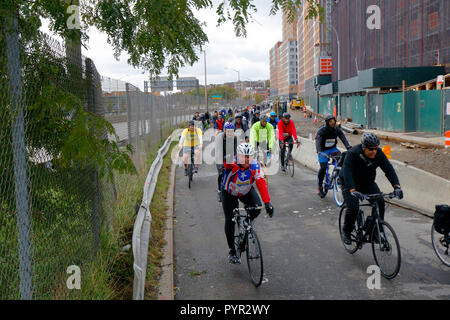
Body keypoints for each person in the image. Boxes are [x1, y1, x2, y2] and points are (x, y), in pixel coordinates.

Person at [339, 133, 404, 245]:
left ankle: (375, 232)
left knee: (380, 202)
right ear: (364, 147)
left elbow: (388, 169)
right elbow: (347, 172)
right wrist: (352, 190)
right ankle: (346, 231)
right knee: (353, 208)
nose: (374, 151)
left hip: (367, 183)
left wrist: (397, 186)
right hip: (349, 184)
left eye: (375, 148)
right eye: (371, 149)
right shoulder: (353, 153)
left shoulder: (378, 154)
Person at [220, 143, 274, 264]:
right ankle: (232, 250)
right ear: (237, 156)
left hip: (246, 191)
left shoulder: (255, 165)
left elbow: (261, 183)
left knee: (257, 208)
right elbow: (226, 163)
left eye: (248, 156)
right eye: (243, 156)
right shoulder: (232, 163)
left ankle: (246, 223)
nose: (246, 159)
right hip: (229, 193)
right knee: (230, 220)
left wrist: (267, 202)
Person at [315, 115, 352, 198]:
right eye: (330, 121)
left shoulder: (336, 129)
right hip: (323, 151)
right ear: (327, 122)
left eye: (333, 121)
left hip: (333, 149)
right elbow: (318, 141)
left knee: (341, 159)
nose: (332, 123)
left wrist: (348, 147)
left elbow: (343, 137)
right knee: (323, 168)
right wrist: (319, 151)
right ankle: (320, 186)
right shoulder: (321, 131)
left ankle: (338, 176)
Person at [215, 122, 238, 202]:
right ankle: (219, 191)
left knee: (234, 172)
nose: (230, 133)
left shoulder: (235, 138)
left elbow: (235, 151)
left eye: (231, 131)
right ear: (224, 130)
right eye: (228, 131)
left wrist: (236, 161)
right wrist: (221, 165)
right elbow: (218, 152)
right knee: (221, 174)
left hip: (230, 156)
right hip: (220, 156)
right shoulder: (219, 138)